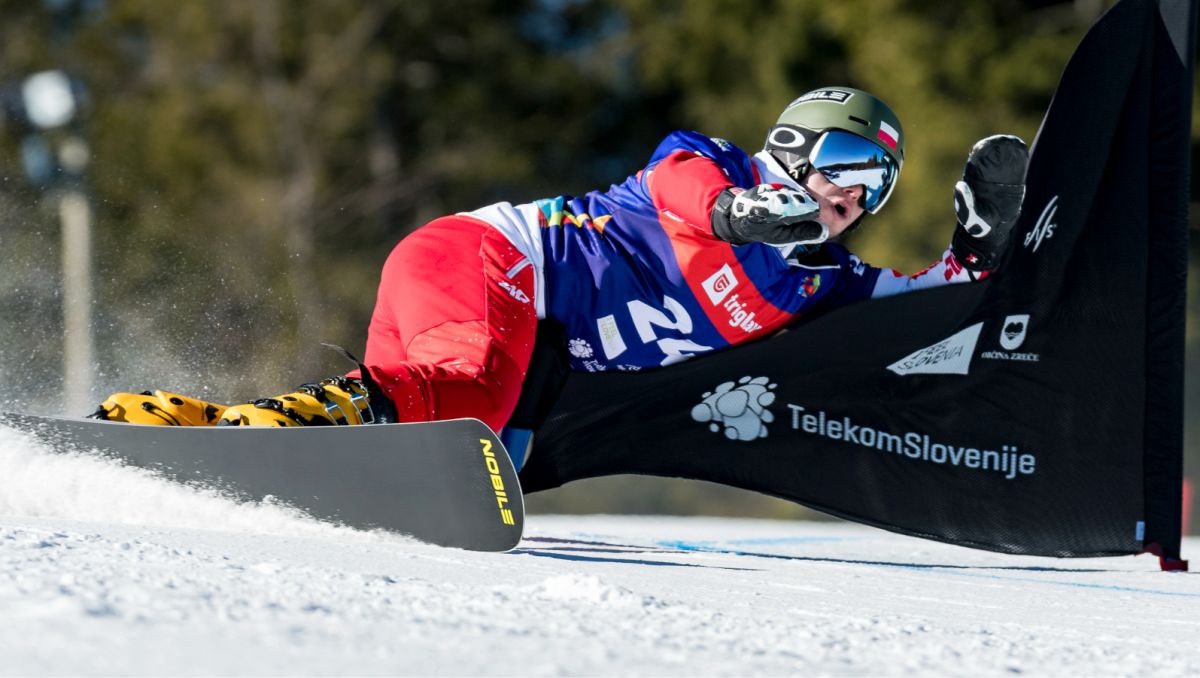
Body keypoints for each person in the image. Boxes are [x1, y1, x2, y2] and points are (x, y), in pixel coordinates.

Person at [91, 86, 1028, 432]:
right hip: (482, 258)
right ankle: (275, 432)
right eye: (847, 165)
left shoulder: (828, 280)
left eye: (878, 186)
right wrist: (754, 214)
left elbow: (919, 313)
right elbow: (694, 199)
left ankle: (192, 426)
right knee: (469, 398)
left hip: (492, 322)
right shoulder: (711, 166)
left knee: (443, 436)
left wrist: (981, 249)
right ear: (791, 147)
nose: (855, 196)